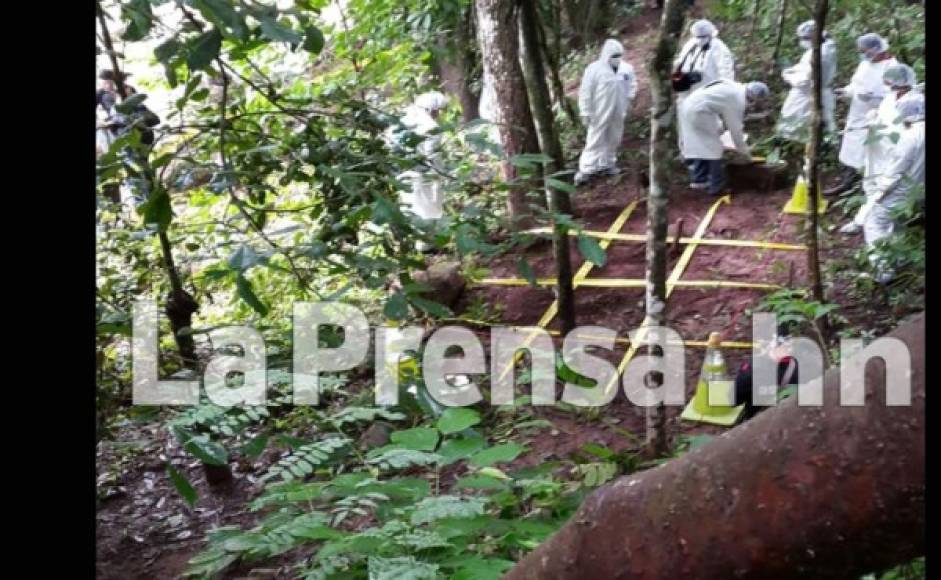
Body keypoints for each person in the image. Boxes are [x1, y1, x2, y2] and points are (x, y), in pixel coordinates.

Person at [840, 63, 923, 234]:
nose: (889, 85)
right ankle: (864, 220)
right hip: (878, 149)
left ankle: (866, 223)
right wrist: (872, 119)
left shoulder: (915, 101)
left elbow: (904, 127)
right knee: (871, 184)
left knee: (885, 190)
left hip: (896, 152)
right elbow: (884, 117)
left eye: (892, 81)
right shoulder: (890, 96)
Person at [824, 33, 899, 196]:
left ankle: (867, 188)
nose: (863, 54)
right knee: (851, 147)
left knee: (874, 152)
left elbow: (895, 93)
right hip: (858, 112)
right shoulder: (866, 64)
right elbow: (856, 84)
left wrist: (875, 97)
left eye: (866, 51)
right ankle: (847, 183)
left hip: (879, 117)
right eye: (861, 51)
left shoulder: (892, 67)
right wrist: (846, 92)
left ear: (876, 49)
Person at [862, 97, 924, 284]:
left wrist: (879, 194)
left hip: (902, 190)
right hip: (919, 191)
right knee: (898, 225)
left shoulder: (910, 137)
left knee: (873, 223)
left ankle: (883, 270)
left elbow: (896, 171)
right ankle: (898, 260)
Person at [678, 80, 769, 196]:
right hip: (699, 111)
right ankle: (717, 188)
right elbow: (736, 131)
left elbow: (715, 100)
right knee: (715, 148)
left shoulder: (734, 87)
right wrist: (746, 153)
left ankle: (700, 180)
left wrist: (719, 127)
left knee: (701, 144)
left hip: (690, 106)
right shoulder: (737, 100)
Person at [575, 39, 637, 185]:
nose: (617, 58)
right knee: (595, 139)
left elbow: (632, 85)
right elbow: (586, 92)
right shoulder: (594, 69)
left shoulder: (626, 68)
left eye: (619, 55)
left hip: (619, 109)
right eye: (613, 55)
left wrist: (630, 98)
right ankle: (587, 168)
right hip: (599, 111)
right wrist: (585, 111)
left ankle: (607, 163)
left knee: (614, 137)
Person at [395, 92, 450, 250]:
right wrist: (439, 176)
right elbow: (433, 156)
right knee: (427, 207)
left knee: (411, 206)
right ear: (432, 110)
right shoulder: (431, 128)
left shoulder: (403, 121)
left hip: (403, 172)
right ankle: (426, 246)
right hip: (423, 174)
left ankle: (412, 244)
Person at [672, 19, 735, 152]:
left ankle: (710, 151)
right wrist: (683, 76)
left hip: (707, 93)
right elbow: (679, 62)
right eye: (697, 37)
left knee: (710, 123)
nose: (700, 40)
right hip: (687, 92)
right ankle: (687, 151)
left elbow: (726, 73)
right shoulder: (691, 45)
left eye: (703, 37)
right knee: (685, 122)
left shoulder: (719, 49)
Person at [777, 20, 838, 142]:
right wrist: (791, 70)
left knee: (800, 128)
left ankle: (801, 153)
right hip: (814, 93)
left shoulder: (821, 54)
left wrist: (788, 76)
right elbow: (805, 69)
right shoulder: (825, 49)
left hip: (808, 95)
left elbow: (806, 80)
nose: (803, 41)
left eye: (805, 38)